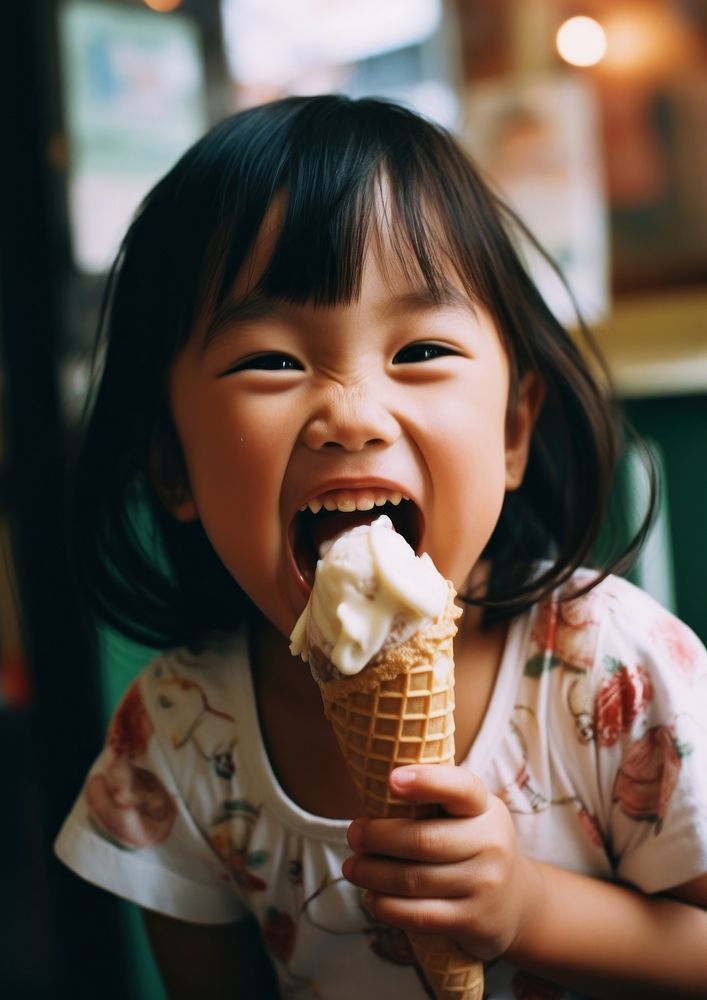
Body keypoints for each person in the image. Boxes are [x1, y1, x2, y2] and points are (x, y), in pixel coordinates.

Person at [55, 95, 707, 999]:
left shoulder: (614, 673)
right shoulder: (171, 734)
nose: (352, 415)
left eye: (422, 348)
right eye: (270, 362)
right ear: (174, 466)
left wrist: (527, 909)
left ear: (512, 432)